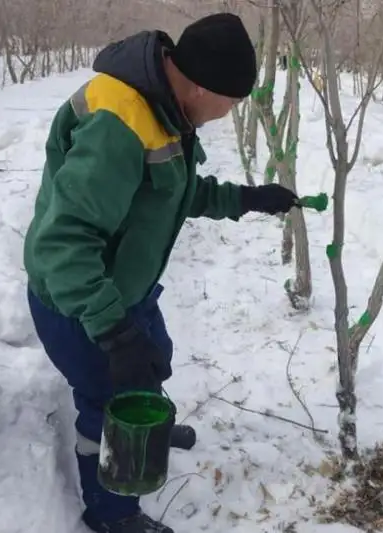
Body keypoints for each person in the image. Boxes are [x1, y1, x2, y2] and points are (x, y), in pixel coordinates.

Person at [22, 12, 298, 533]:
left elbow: (166, 192)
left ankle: (143, 423)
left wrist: (243, 199)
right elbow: (64, 243)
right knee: (106, 401)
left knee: (155, 359)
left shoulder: (165, 108)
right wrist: (111, 330)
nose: (232, 112)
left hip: (124, 287)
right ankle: (112, 511)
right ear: (199, 85)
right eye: (232, 103)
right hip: (77, 300)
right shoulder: (119, 124)